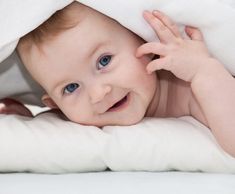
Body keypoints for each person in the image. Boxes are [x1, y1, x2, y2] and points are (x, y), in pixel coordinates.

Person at [12, 1, 235, 157]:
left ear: (146, 45)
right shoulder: (83, 116)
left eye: (104, 61)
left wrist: (203, 71)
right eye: (71, 87)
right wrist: (23, 117)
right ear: (55, 105)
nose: (98, 93)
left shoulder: (186, 89)